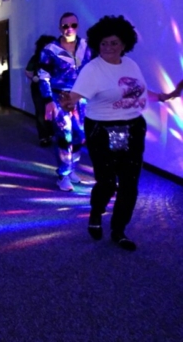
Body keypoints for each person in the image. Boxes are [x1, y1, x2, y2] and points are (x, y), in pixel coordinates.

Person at [61, 15, 170, 251]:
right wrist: (67, 102)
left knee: (130, 184)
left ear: (124, 44)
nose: (108, 47)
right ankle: (96, 213)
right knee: (108, 182)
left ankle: (119, 230)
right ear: (97, 43)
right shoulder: (93, 69)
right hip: (102, 129)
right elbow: (75, 96)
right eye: (103, 43)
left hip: (133, 128)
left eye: (113, 43)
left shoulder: (131, 65)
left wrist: (163, 96)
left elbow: (138, 92)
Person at [38, 12, 93, 191]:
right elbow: (43, 75)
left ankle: (71, 169)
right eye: (65, 25)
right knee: (64, 135)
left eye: (73, 25)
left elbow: (94, 71)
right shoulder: (50, 50)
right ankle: (63, 174)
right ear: (60, 28)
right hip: (59, 98)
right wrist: (48, 100)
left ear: (78, 26)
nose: (69, 28)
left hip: (81, 98)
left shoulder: (86, 46)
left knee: (80, 135)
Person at [25, 35, 57, 146]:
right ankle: (44, 136)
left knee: (53, 111)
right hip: (38, 87)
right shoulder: (36, 58)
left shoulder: (57, 57)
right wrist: (35, 78)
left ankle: (51, 133)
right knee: (40, 111)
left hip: (53, 88)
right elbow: (27, 71)